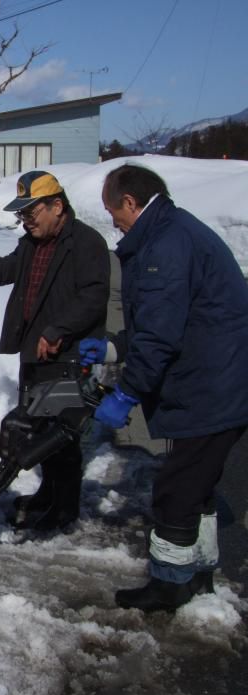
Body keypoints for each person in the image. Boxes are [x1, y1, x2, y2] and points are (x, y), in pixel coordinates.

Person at [81, 163, 248, 613]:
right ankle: (198, 572)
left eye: (112, 210)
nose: (113, 219)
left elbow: (159, 336)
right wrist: (113, 349)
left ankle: (170, 584)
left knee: (176, 489)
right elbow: (158, 322)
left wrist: (126, 393)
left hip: (209, 387)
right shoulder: (170, 232)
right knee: (196, 484)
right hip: (216, 382)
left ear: (131, 203)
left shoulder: (166, 247)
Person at [0, 170, 110, 531]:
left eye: (31, 213)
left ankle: (63, 510)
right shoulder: (33, 243)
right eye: (21, 215)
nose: (26, 222)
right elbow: (10, 268)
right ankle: (48, 495)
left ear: (56, 206)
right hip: (36, 353)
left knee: (61, 436)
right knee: (40, 430)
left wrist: (58, 329)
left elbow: (93, 297)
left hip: (66, 356)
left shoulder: (86, 244)